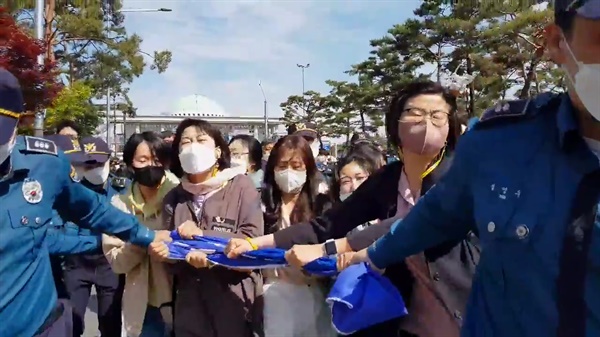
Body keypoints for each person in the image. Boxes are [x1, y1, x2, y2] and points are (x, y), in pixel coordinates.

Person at [335, 2, 600, 337]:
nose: (425, 124)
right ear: (557, 43)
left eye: (436, 116)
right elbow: (437, 214)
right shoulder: (500, 145)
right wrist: (372, 256)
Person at [226, 80, 480, 337]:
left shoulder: (459, 176)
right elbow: (329, 224)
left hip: (462, 311)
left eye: (437, 115)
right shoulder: (387, 179)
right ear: (395, 122)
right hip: (405, 318)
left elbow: (409, 223)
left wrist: (328, 249)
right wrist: (255, 244)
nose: (426, 122)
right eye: (415, 112)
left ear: (450, 126)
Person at [0, 68, 170, 337]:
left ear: (16, 125)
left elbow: (92, 210)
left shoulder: (44, 164)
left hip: (37, 326)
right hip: (74, 267)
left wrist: (144, 236)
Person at [149, 118, 264, 337]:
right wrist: (165, 253)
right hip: (190, 305)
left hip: (234, 299)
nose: (193, 147)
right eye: (186, 142)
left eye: (201, 140)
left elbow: (252, 238)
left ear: (219, 151)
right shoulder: (174, 197)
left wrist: (205, 241)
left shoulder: (240, 186)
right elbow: (170, 249)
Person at [103, 132, 179, 337]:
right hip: (143, 304)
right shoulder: (119, 205)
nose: (151, 166)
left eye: (157, 160)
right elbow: (117, 262)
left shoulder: (180, 197)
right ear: (130, 164)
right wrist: (146, 238)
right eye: (143, 160)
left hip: (181, 299)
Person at [260, 135, 336, 337]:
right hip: (275, 293)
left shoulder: (321, 204)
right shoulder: (262, 204)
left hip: (315, 291)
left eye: (296, 166)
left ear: (308, 169)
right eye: (282, 165)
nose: (288, 172)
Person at [63, 136, 130, 337]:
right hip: (77, 261)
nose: (94, 169)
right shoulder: (70, 189)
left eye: (99, 163)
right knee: (71, 323)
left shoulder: (123, 188)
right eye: (88, 164)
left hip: (109, 262)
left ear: (110, 160)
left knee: (110, 324)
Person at [43, 135, 102, 300]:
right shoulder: (35, 199)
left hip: (63, 282)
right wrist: (100, 242)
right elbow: (50, 241)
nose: (78, 170)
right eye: (72, 164)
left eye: (79, 163)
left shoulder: (69, 195)